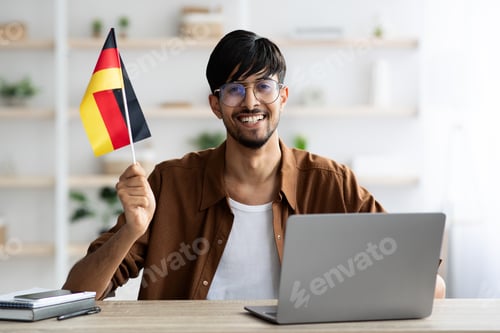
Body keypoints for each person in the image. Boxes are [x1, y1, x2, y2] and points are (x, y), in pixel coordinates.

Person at [63, 29, 445, 300]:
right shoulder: (169, 182)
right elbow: (77, 294)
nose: (250, 103)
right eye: (234, 89)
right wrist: (131, 230)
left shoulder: (331, 182)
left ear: (283, 96)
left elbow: (424, 282)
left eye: (263, 86)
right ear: (216, 105)